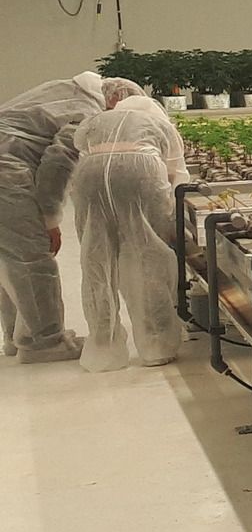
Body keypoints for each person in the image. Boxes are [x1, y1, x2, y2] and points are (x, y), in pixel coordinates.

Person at [0, 71, 145, 362]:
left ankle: (18, 336)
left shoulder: (64, 88)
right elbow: (58, 164)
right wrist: (50, 220)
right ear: (115, 103)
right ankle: (44, 343)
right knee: (32, 257)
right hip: (6, 168)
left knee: (8, 256)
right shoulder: (87, 112)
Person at [69, 92, 189, 369]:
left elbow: (80, 145)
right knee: (151, 256)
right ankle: (156, 344)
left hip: (89, 175)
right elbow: (178, 176)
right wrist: (169, 218)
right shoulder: (159, 124)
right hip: (141, 171)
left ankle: (102, 347)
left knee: (96, 256)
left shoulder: (97, 120)